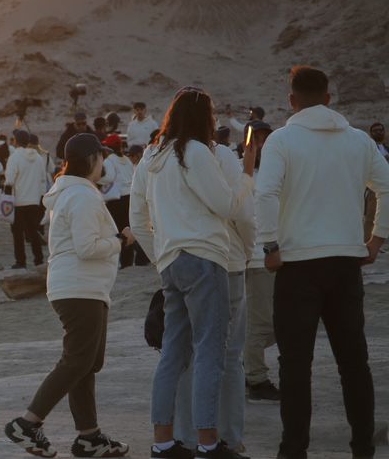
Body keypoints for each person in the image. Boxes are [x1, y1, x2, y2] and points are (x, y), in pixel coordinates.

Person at [254, 66, 389, 459]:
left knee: (296, 366)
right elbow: (386, 185)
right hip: (346, 264)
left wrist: (269, 246)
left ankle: (294, 449)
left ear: (290, 100)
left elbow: (264, 194)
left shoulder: (282, 140)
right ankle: (362, 448)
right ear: (329, 99)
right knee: (354, 363)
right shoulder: (358, 140)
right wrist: (377, 239)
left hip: (297, 266)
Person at [129, 86, 254, 459]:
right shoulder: (196, 152)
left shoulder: (151, 155)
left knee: (173, 353)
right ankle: (208, 443)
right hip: (204, 257)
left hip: (171, 262)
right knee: (211, 352)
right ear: (206, 118)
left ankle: (164, 441)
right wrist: (246, 175)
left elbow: (138, 218)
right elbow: (227, 205)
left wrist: (159, 256)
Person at [5, 133, 132, 459]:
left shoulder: (74, 193)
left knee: (87, 362)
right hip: (80, 287)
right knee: (78, 360)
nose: (104, 161)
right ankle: (27, 423)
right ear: (91, 159)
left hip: (83, 287)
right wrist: (119, 240)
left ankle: (88, 437)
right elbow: (87, 247)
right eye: (101, 156)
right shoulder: (82, 196)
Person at [173, 128, 257, 457]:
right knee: (228, 356)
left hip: (182, 258)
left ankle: (186, 435)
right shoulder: (221, 156)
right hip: (228, 260)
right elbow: (243, 213)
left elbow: (144, 213)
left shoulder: (164, 155)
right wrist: (248, 251)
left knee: (188, 355)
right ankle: (229, 437)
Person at [6, 130, 48, 268]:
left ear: (16, 141)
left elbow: (10, 180)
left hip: (18, 201)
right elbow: (43, 179)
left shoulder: (14, 157)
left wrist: (6, 197)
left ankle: (21, 261)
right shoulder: (38, 158)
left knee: (17, 233)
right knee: (33, 231)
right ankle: (39, 259)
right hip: (34, 201)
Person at [98, 135, 136, 265]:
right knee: (128, 229)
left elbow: (108, 177)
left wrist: (96, 180)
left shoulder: (109, 160)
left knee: (116, 231)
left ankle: (119, 261)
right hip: (130, 197)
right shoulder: (126, 159)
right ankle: (128, 261)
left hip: (117, 200)